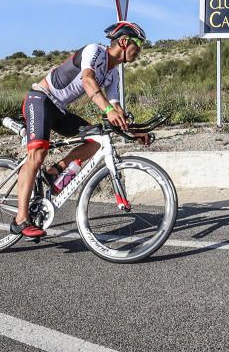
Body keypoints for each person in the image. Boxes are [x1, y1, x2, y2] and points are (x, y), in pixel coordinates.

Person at [11, 21, 151, 238]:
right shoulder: (94, 51)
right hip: (40, 99)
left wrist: (134, 131)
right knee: (37, 154)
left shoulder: (114, 74)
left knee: (95, 141)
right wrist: (106, 109)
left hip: (59, 109)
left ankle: (53, 173)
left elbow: (115, 109)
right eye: (138, 45)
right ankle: (20, 219)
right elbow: (87, 80)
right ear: (124, 42)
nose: (140, 50)